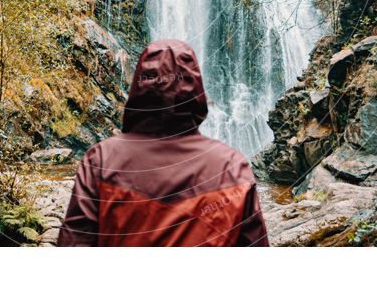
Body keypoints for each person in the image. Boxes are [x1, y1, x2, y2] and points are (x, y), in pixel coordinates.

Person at [57, 39, 269, 247]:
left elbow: (74, 244)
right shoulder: (231, 166)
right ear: (196, 90)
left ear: (138, 87)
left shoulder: (101, 159)